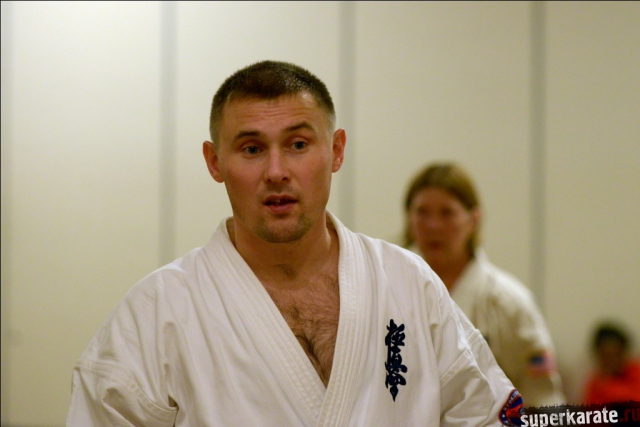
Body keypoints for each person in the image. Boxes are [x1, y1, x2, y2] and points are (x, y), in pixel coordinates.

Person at [67, 61, 521, 426]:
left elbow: (492, 415)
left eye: (299, 144)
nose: (276, 171)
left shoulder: (408, 284)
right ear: (214, 161)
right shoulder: (156, 313)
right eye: (251, 149)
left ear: (336, 150)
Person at [403, 162, 565, 407]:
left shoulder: (509, 302)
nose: (433, 225)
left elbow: (543, 401)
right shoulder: (389, 290)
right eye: (422, 212)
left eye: (447, 213)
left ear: (473, 219)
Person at [583, 322, 640, 404]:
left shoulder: (636, 372)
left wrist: (608, 387)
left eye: (616, 354)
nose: (612, 360)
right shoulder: (595, 383)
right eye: (607, 355)